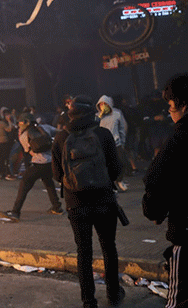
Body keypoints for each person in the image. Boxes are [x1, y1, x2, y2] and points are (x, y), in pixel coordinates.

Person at [52, 96, 125, 308]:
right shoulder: (102, 134)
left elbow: (57, 174)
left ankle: (88, 300)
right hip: (104, 201)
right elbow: (116, 169)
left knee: (84, 252)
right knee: (108, 247)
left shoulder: (61, 138)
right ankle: (113, 294)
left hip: (76, 204)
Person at [143, 73, 188, 308]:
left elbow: (156, 179)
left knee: (177, 300)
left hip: (185, 231)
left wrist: (155, 211)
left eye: (171, 106)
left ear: (183, 105)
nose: (170, 112)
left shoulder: (179, 138)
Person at [0, 113, 63, 222]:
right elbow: (59, 132)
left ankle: (15, 212)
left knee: (24, 184)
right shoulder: (44, 128)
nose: (19, 125)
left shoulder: (24, 135)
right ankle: (57, 207)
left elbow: (28, 151)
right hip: (50, 162)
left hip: (38, 162)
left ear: (26, 122)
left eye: (21, 122)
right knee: (48, 183)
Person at [97, 95, 129, 191]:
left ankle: (120, 180)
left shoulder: (117, 114)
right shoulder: (97, 116)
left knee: (122, 162)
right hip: (103, 144)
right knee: (107, 165)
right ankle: (111, 184)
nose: (103, 106)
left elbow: (123, 128)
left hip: (116, 142)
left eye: (105, 104)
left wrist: (122, 142)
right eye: (101, 104)